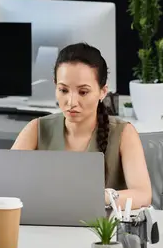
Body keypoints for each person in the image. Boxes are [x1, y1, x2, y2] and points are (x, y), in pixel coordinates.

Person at [12, 43, 152, 209]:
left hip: (103, 231)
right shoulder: (36, 128)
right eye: (63, 90)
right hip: (47, 228)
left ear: (103, 91)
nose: (71, 102)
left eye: (83, 92)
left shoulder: (123, 133)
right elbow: (6, 185)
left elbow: (143, 195)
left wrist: (99, 197)